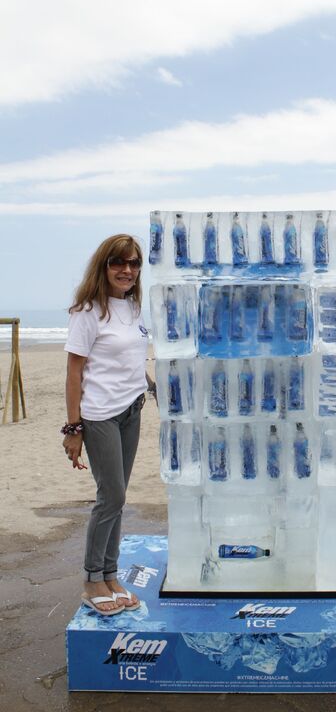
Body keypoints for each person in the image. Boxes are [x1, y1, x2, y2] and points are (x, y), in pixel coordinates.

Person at [63, 234, 156, 616]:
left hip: (131, 411)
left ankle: (111, 575)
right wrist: (73, 430)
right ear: (104, 266)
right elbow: (73, 371)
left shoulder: (132, 309)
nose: (128, 270)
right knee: (110, 497)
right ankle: (91, 581)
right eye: (119, 263)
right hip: (100, 415)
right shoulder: (88, 311)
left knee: (119, 498)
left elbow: (132, 365)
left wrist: (154, 386)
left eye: (134, 264)